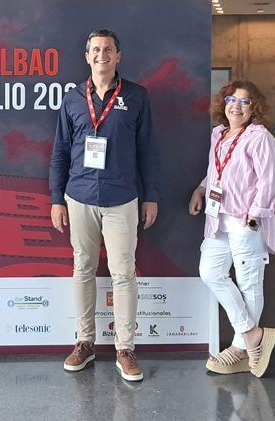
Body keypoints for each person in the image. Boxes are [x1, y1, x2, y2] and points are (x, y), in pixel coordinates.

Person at [49, 29, 160, 381]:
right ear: (87, 56)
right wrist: (56, 198)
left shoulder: (137, 96)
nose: (102, 54)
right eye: (96, 49)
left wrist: (151, 195)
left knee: (123, 273)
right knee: (82, 268)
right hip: (79, 195)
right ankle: (85, 342)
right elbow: (60, 151)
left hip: (122, 197)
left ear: (118, 56)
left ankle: (125, 348)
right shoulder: (72, 99)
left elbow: (148, 151)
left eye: (108, 49)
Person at [189, 80, 275, 378]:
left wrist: (255, 215)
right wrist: (201, 189)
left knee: (248, 283)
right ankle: (252, 335)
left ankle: (240, 349)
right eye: (231, 100)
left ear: (254, 108)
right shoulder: (219, 134)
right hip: (218, 218)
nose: (236, 106)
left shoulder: (260, 137)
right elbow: (217, 171)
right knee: (210, 272)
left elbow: (268, 181)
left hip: (245, 221)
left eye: (244, 101)